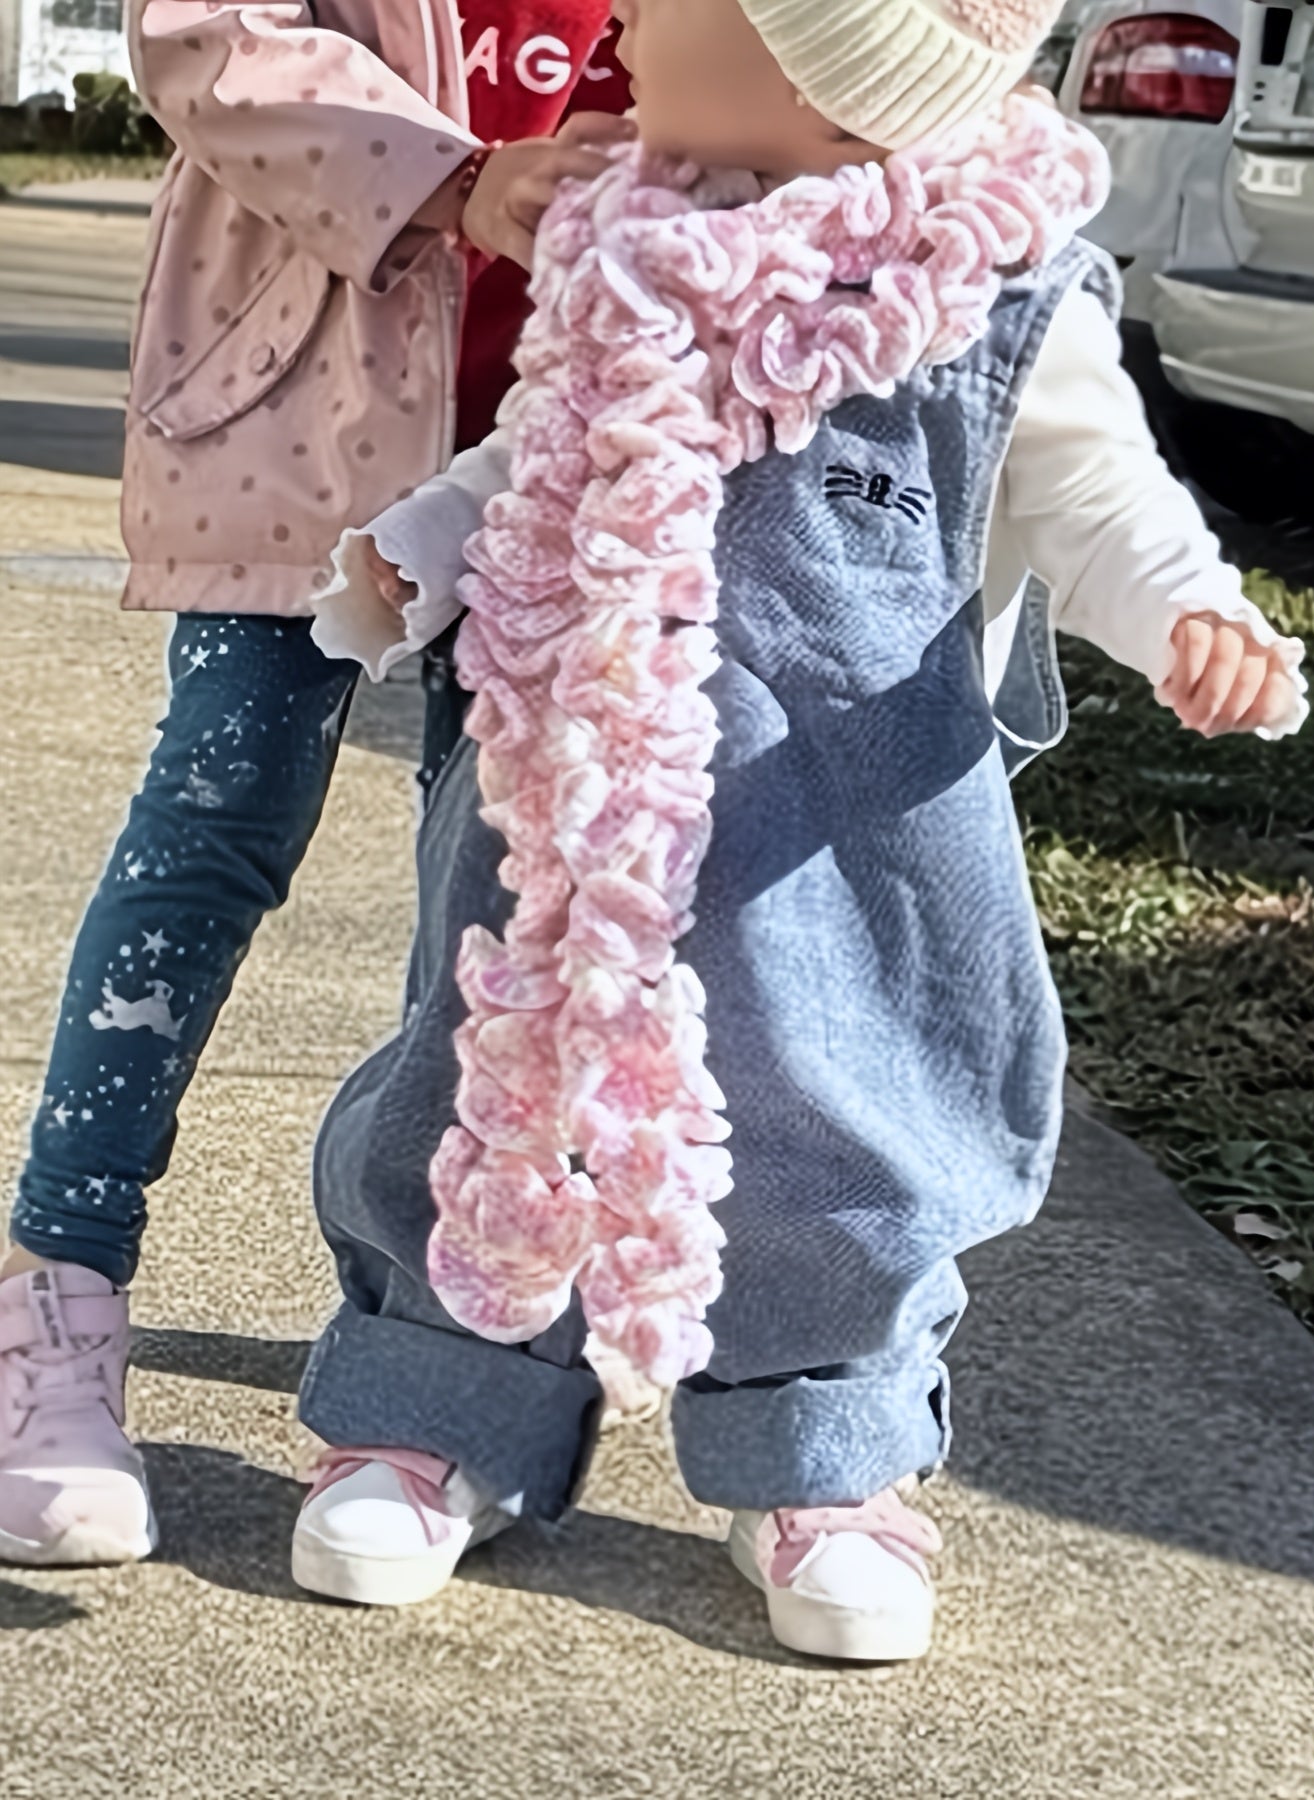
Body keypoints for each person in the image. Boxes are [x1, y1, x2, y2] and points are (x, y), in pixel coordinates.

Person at [302, 0, 1303, 1651]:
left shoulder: (988, 290)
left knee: (849, 1124)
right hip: (569, 817)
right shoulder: (619, 245)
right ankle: (439, 1401)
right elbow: (534, 456)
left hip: (837, 849)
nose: (626, 16)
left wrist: (1185, 608)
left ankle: (822, 1453)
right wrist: (423, 547)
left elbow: (1095, 495)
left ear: (837, 82)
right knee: (484, 1077)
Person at [0, 1, 635, 1571]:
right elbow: (202, 35)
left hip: (569, 447)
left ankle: (442, 1359)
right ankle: (57, 1287)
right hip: (295, 417)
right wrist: (456, 175)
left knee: (495, 891)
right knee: (208, 835)